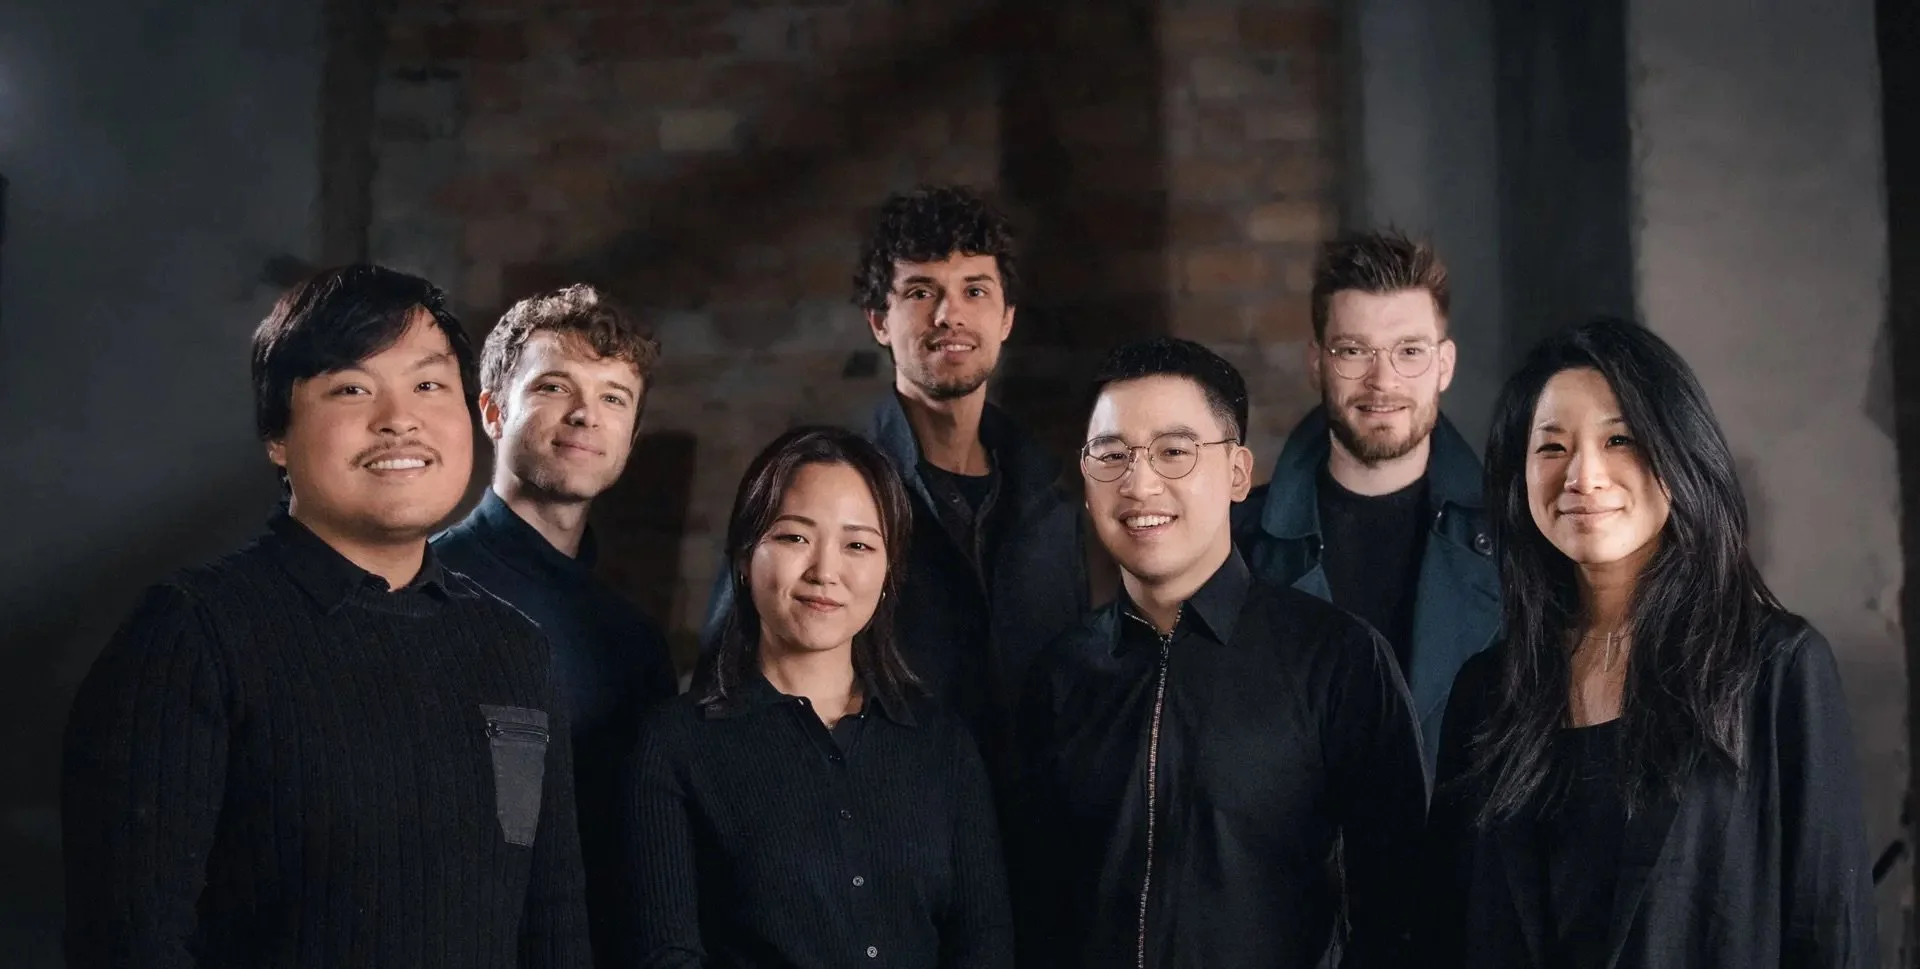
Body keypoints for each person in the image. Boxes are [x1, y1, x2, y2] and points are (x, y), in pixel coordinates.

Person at [61, 265, 590, 969]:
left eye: (429, 385)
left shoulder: (514, 648)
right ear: (277, 435)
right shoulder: (193, 636)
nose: (399, 418)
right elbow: (129, 942)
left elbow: (553, 927)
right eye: (351, 388)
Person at [1421, 317, 1876, 968]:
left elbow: (1831, 932)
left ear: (1678, 453)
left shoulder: (1776, 668)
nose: (1584, 475)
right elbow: (1448, 931)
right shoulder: (1488, 689)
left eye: (1620, 438)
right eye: (1551, 447)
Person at [1018, 337, 1424, 969]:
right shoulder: (1059, 675)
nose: (1140, 482)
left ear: (1238, 473)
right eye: (1112, 455)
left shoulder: (1336, 659)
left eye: (1174, 453)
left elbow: (1399, 913)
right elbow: (1034, 909)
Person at [702, 185, 1105, 798]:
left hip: (1032, 852)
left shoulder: (1046, 494)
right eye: (921, 292)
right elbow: (726, 681)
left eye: (975, 290)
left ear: (1006, 318)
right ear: (879, 321)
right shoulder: (820, 487)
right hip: (876, 842)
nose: (950, 316)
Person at [623, 426, 1012, 969]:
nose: (825, 572)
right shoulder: (676, 744)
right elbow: (667, 955)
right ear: (744, 557)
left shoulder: (942, 745)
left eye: (857, 545)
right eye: (794, 537)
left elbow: (985, 946)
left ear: (887, 574)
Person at [434, 283, 677, 966]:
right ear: (492, 410)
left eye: (612, 398)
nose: (585, 416)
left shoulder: (634, 641)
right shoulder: (421, 592)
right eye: (554, 387)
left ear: (631, 434)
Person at [1234, 229, 1497, 771]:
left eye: (1410, 352)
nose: (1383, 380)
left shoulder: (1518, 542)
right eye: (1354, 351)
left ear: (1444, 365)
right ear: (1316, 363)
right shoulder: (1236, 542)